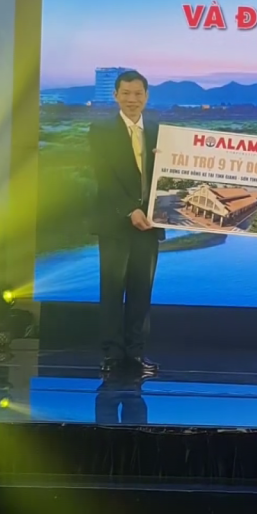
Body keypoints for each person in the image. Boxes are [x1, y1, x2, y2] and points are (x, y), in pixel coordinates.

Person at [88, 70, 163, 376]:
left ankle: (136, 354)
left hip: (150, 224)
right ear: (116, 95)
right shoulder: (101, 130)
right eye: (126, 93)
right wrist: (130, 209)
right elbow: (103, 177)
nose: (132, 99)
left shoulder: (158, 131)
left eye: (138, 94)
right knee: (112, 289)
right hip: (115, 223)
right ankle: (111, 355)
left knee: (141, 292)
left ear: (147, 96)